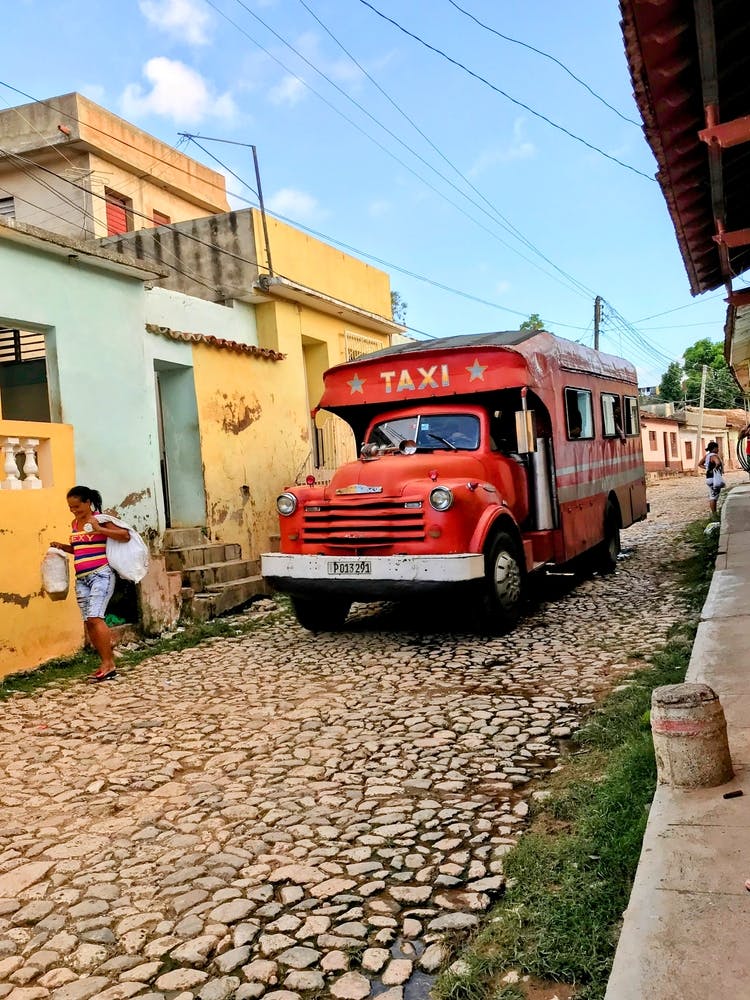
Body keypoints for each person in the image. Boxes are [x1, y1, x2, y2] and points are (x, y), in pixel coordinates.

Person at [51, 486, 130, 682]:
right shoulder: (75, 523)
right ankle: (104, 662)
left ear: (87, 502)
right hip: (82, 578)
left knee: (95, 617)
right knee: (89, 622)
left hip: (100, 575)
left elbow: (125, 536)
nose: (74, 510)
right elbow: (81, 549)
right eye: (70, 507)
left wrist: (99, 529)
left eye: (77, 506)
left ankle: (109, 664)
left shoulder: (100, 519)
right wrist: (63, 547)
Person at [698, 442, 724, 518]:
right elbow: (718, 463)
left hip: (709, 478)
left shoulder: (707, 456)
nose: (718, 449)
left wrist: (707, 468)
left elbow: (699, 464)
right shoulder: (714, 456)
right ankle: (714, 514)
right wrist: (715, 469)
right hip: (714, 478)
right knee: (713, 497)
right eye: (717, 448)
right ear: (714, 448)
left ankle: (714, 513)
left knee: (712, 495)